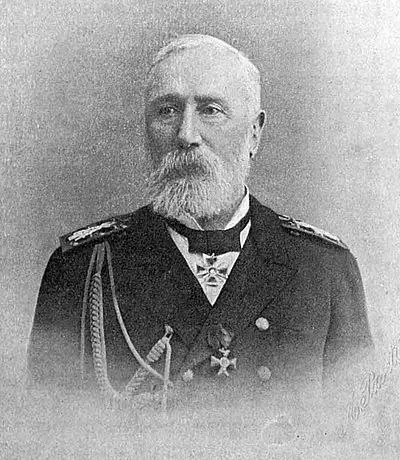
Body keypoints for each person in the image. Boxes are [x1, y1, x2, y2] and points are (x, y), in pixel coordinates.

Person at [27, 34, 373, 424]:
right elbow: (47, 436)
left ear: (254, 132)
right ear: (146, 129)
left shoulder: (325, 270)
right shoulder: (80, 271)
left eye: (210, 110)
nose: (186, 135)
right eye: (167, 111)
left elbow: (357, 437)